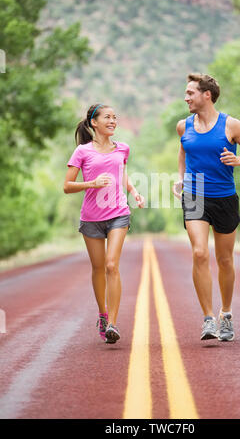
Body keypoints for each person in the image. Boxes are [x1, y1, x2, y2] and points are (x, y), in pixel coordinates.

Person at [173, 73, 240, 341]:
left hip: (224, 197)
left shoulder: (231, 125)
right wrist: (180, 179)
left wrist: (239, 160)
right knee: (200, 253)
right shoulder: (183, 126)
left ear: (206, 95)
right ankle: (208, 319)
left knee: (224, 260)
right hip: (195, 196)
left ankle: (226, 313)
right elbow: (183, 151)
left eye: (190, 93)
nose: (186, 97)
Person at [64, 103, 144, 344]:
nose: (113, 121)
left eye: (115, 117)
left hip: (118, 212)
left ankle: (113, 324)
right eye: (107, 117)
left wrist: (134, 191)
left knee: (111, 265)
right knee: (98, 269)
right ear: (94, 123)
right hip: (91, 218)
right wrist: (91, 184)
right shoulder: (82, 151)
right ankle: (102, 313)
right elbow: (67, 186)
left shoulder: (123, 149)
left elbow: (122, 172)